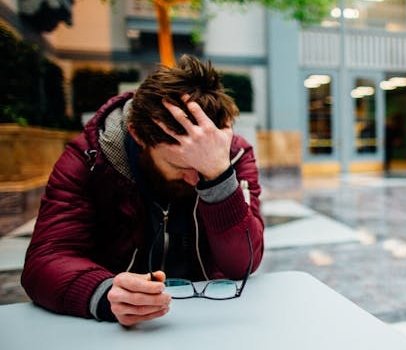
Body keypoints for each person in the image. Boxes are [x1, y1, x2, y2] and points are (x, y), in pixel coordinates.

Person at [21, 55, 264, 327]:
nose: (195, 179)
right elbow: (46, 260)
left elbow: (242, 264)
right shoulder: (90, 159)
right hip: (120, 332)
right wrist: (103, 293)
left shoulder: (232, 155)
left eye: (204, 165)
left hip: (209, 318)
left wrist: (219, 176)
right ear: (137, 135)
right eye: (179, 164)